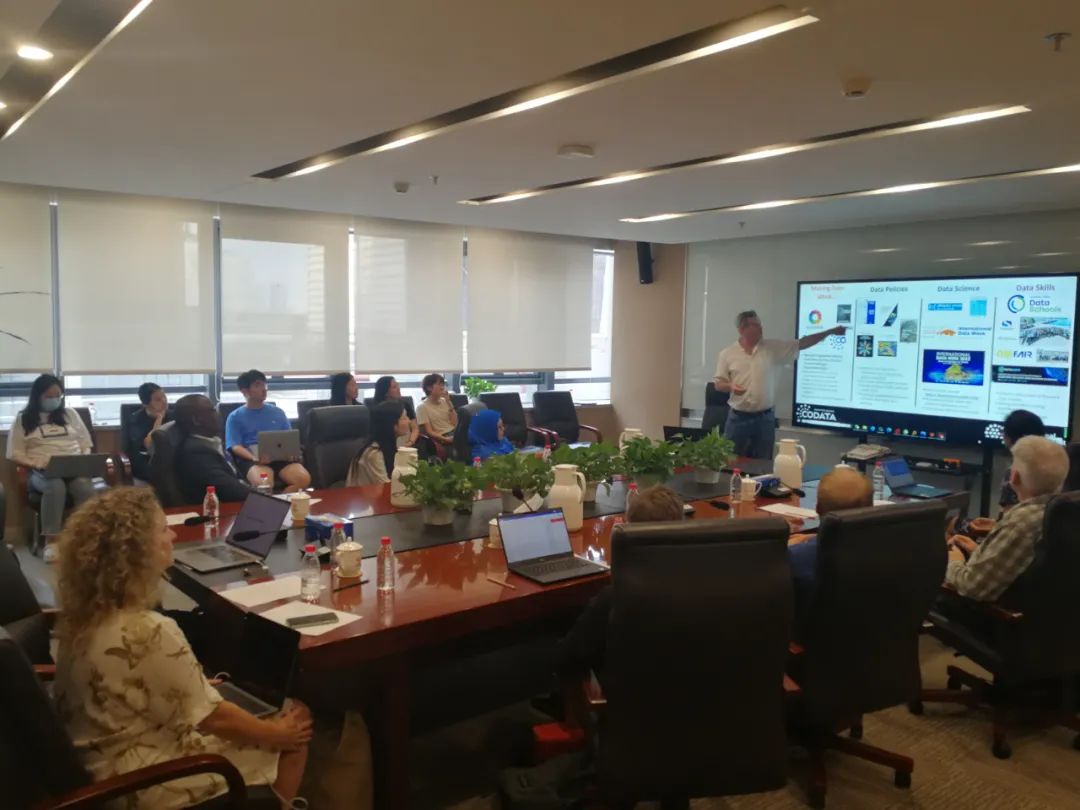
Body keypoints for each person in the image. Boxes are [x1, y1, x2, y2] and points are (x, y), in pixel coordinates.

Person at [53, 487, 312, 808]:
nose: (173, 536)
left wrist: (193, 684)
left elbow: (134, 684)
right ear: (136, 551)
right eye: (163, 530)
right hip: (145, 781)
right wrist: (278, 734)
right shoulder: (149, 631)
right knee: (295, 720)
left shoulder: (83, 618)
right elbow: (215, 719)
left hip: (102, 764)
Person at [557, 485, 684, 705]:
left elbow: (569, 658)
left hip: (627, 710)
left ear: (628, 532)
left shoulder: (617, 597)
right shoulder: (705, 584)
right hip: (693, 703)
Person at [946, 436, 1069, 602]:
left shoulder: (1021, 523)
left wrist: (954, 561)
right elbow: (1024, 566)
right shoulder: (1063, 509)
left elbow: (971, 587)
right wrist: (979, 552)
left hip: (988, 612)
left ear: (1014, 477)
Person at [714, 310, 845, 458]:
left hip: (764, 419)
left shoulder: (773, 348)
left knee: (763, 463)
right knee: (729, 460)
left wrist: (829, 332)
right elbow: (719, 384)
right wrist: (731, 386)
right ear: (742, 329)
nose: (760, 328)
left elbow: (802, 343)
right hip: (738, 418)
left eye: (760, 324)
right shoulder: (727, 354)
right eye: (755, 325)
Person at [6, 374, 100, 561]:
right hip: (41, 471)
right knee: (55, 485)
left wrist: (84, 458)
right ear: (38, 396)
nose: (54, 400)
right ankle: (52, 541)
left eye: (58, 396)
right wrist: (37, 464)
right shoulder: (23, 419)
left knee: (83, 486)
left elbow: (85, 443)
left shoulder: (70, 415)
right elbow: (14, 453)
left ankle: (87, 537)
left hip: (74, 466)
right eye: (49, 396)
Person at [787, 466, 873, 633]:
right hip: (878, 638)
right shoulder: (891, 547)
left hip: (813, 643)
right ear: (872, 507)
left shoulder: (796, 558)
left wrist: (784, 549)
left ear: (818, 508)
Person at [225, 369, 311, 492]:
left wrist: (292, 454)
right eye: (257, 385)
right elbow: (235, 446)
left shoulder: (277, 412)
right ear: (245, 391)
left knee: (303, 479)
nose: (264, 389)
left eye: (264, 384)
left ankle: (282, 501)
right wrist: (253, 458)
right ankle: (273, 502)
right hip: (253, 460)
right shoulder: (235, 417)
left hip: (280, 458)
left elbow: (289, 438)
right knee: (264, 483)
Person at [174, 394, 253, 503]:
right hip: (223, 507)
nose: (218, 414)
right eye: (213, 410)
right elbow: (230, 490)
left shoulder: (210, 442)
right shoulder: (196, 454)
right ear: (197, 420)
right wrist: (264, 495)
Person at [346, 400, 409, 486]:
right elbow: (386, 486)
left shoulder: (390, 444)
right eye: (404, 418)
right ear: (392, 424)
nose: (408, 421)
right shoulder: (374, 454)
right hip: (363, 494)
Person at [125, 382, 170, 482]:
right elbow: (149, 444)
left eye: (164, 396)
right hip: (146, 460)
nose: (164, 401)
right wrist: (159, 420)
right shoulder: (136, 420)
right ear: (146, 404)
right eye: (158, 399)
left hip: (169, 458)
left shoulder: (173, 415)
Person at [372, 375, 420, 447]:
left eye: (397, 385)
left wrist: (410, 442)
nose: (398, 388)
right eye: (394, 387)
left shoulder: (405, 404)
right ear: (386, 392)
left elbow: (415, 428)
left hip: (408, 445)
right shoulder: (379, 411)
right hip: (388, 446)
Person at [416, 373, 458, 449]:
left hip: (455, 432)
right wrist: (446, 439)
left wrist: (448, 401)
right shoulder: (422, 407)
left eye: (443, 385)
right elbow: (429, 432)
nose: (442, 387)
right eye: (439, 384)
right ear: (429, 388)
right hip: (442, 436)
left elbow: (455, 423)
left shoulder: (444, 401)